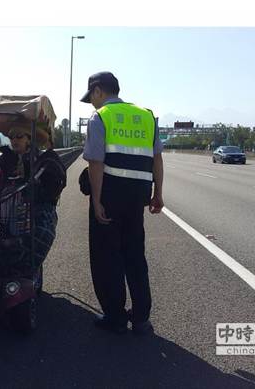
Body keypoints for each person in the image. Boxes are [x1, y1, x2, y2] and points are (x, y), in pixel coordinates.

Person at [81, 71, 164, 335]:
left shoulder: (101, 116)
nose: (92, 103)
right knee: (135, 256)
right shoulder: (146, 115)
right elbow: (157, 159)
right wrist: (158, 193)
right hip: (138, 196)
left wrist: (96, 201)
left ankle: (115, 316)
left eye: (91, 97)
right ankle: (141, 318)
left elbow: (96, 162)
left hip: (110, 193)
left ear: (98, 91)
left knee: (108, 257)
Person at [0, 124, 66, 271]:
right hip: (6, 210)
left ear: (30, 138)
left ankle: (26, 271)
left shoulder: (43, 160)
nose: (14, 140)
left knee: (39, 232)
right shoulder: (6, 158)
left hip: (34, 208)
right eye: (11, 137)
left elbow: (52, 186)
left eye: (19, 136)